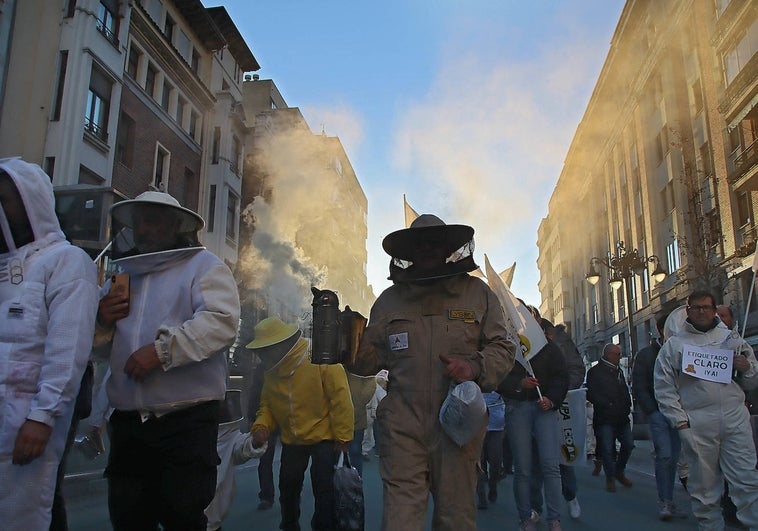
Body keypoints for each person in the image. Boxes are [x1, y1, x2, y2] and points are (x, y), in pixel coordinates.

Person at [352, 214, 515, 530]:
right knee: (400, 521)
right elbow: (368, 362)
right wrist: (346, 343)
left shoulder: (478, 294)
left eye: (433, 242)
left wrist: (475, 366)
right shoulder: (389, 300)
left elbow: (503, 347)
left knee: (455, 520)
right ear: (408, 251)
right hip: (402, 427)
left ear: (448, 247)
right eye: (418, 244)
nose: (426, 248)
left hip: (457, 429)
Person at [96, 191, 241, 530]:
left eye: (153, 220)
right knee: (128, 517)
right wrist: (101, 320)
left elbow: (221, 323)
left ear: (176, 225)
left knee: (183, 516)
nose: (144, 229)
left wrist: (162, 352)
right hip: (130, 424)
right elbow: (103, 350)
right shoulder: (123, 275)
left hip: (186, 424)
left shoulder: (204, 266)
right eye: (139, 221)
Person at [0, 158, 99, 529]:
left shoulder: (67, 262)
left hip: (27, 424)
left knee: (27, 516)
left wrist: (42, 417)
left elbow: (67, 347)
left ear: (30, 204)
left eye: (4, 199)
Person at [655, 290, 758, 530]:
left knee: (747, 480)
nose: (702, 311)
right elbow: (664, 388)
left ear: (714, 310)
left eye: (706, 307)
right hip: (698, 422)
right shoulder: (675, 346)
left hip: (734, 419)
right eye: (696, 307)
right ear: (688, 311)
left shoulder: (732, 339)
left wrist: (746, 367)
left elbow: (751, 380)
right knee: (705, 487)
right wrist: (680, 422)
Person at [248, 317, 354, 531]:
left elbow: (340, 398)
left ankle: (324, 527)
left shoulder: (320, 356)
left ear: (280, 345)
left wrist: (343, 438)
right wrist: (261, 427)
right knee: (287, 486)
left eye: (266, 350)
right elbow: (267, 406)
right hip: (293, 439)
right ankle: (289, 525)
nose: (263, 355)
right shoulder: (272, 373)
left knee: (324, 490)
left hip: (324, 438)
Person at [499, 334, 568, 531]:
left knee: (550, 465)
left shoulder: (548, 347)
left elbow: (561, 376)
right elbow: (496, 376)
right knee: (523, 468)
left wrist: (552, 399)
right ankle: (525, 517)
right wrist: (519, 384)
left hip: (544, 407)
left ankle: (554, 519)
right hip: (517, 407)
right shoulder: (505, 346)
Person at [632, 312, 687, 520]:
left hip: (681, 411)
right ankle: (665, 501)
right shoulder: (647, 355)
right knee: (664, 456)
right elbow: (640, 386)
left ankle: (670, 501)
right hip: (660, 413)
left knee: (674, 458)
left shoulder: (685, 350)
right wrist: (653, 411)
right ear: (661, 330)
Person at [529, 319, 585, 521]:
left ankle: (570, 495)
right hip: (533, 404)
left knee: (562, 455)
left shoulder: (560, 340)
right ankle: (535, 507)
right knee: (534, 458)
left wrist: (560, 392)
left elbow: (576, 368)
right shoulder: (524, 340)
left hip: (559, 404)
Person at [586, 343, 634, 493]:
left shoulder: (618, 371)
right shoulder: (595, 372)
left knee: (628, 444)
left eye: (619, 354)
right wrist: (606, 404)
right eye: (617, 354)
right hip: (605, 417)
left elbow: (624, 391)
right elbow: (591, 393)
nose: (620, 357)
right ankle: (610, 477)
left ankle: (619, 470)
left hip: (621, 416)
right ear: (608, 355)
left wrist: (626, 406)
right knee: (607, 449)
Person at [477, 391, 506, 510]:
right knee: (478, 463)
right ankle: (481, 498)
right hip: (477, 423)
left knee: (496, 461)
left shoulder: (499, 375)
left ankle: (493, 484)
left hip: (496, 425)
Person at [347, 371, 378, 476]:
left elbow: (371, 383)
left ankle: (356, 481)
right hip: (335, 417)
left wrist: (359, 402)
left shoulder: (361, 365)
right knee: (332, 456)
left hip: (356, 418)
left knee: (355, 452)